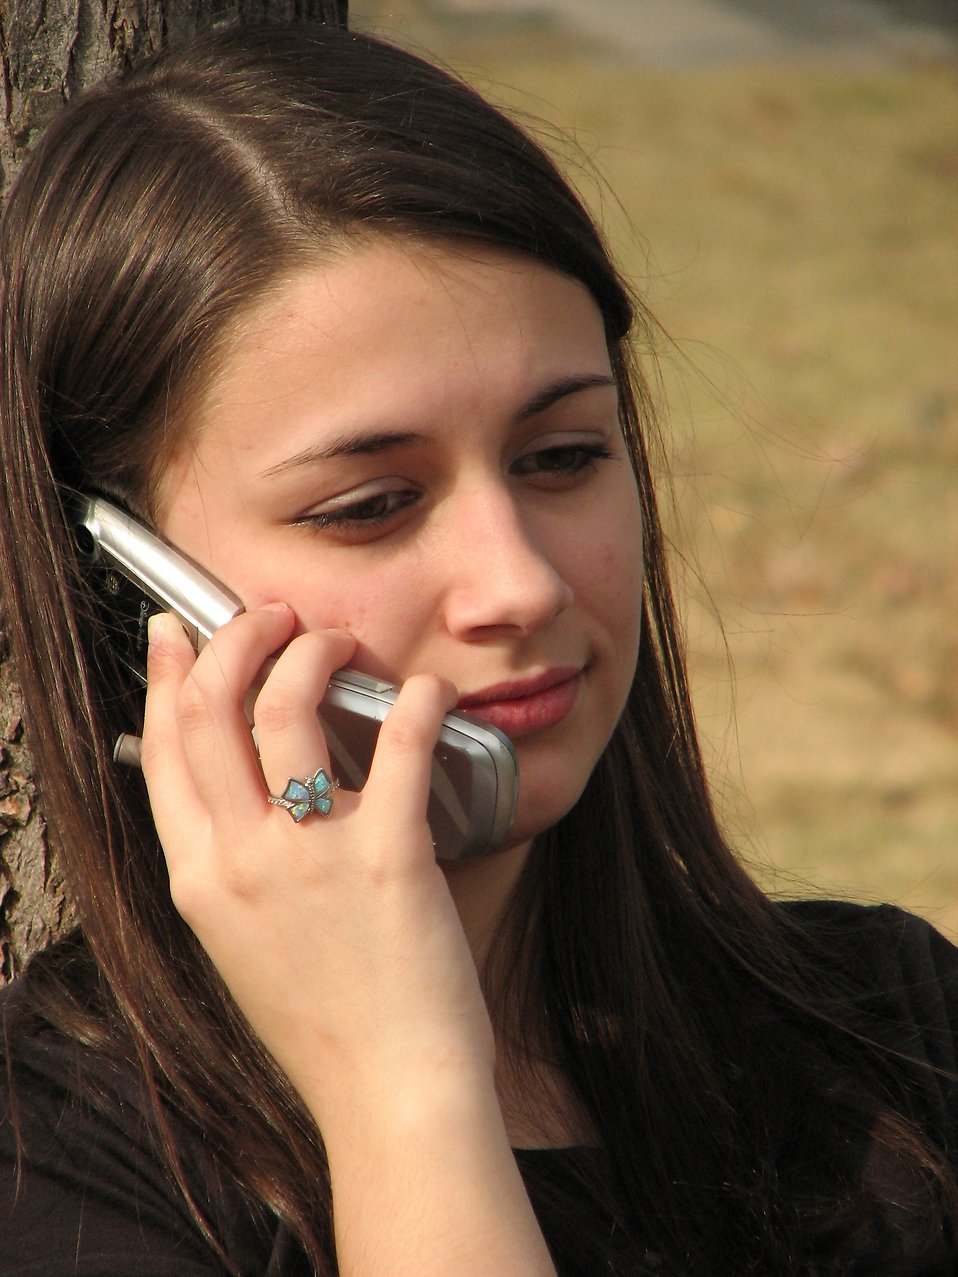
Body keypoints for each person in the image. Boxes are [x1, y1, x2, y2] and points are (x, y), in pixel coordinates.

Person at [0, 20, 954, 1277]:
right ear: (136, 576)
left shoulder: (891, 1030)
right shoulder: (60, 1164)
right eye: (370, 504)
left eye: (562, 456)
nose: (520, 582)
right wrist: (401, 1088)